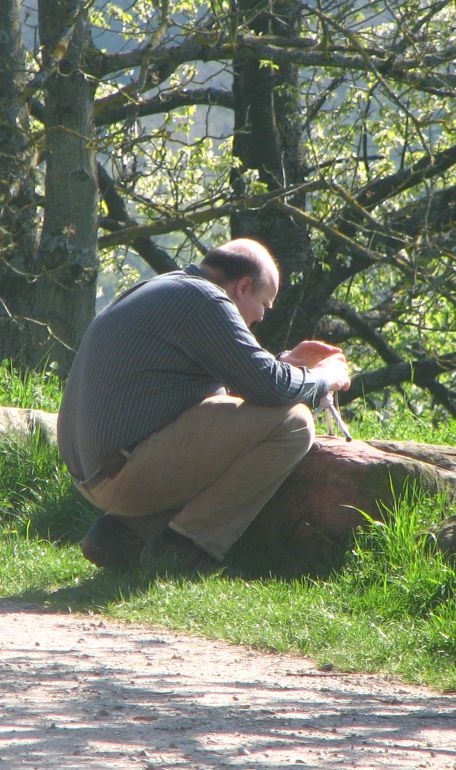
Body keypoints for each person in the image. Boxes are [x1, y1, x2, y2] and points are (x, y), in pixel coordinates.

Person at [57, 238, 350, 570]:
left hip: (98, 475)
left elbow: (243, 386)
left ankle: (128, 532)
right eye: (264, 305)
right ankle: (185, 545)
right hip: (123, 475)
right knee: (293, 422)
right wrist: (325, 378)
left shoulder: (166, 288)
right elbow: (269, 388)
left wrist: (284, 364)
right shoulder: (206, 300)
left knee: (236, 408)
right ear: (243, 287)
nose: (260, 318)